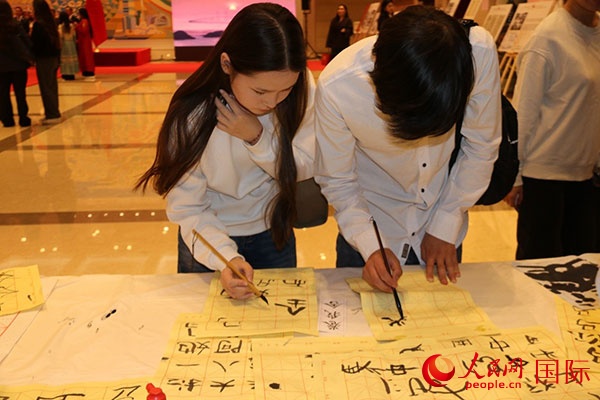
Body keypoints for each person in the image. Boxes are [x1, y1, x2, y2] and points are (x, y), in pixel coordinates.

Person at [135, 3, 316, 300]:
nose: (272, 102)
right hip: (208, 240)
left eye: (284, 90)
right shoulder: (193, 114)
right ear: (227, 64)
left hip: (273, 232)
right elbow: (188, 207)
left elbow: (305, 166)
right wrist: (225, 256)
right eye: (260, 91)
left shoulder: (299, 89)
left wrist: (256, 137)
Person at [314, 6, 502, 292]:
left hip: (443, 227)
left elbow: (481, 145)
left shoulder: (477, 54)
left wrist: (446, 222)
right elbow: (338, 180)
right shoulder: (338, 86)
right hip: (372, 228)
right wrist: (370, 243)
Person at [503, 0, 600, 260]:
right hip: (543, 179)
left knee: (584, 268)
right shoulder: (547, 38)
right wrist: (515, 177)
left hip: (587, 177)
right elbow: (523, 115)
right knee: (540, 269)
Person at [0, 0, 32, 128]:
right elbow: (27, 41)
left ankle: (7, 119)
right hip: (18, 64)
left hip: (1, 67)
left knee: (3, 94)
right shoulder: (15, 25)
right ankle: (23, 118)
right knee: (20, 93)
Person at [31, 0, 61, 125]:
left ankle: (52, 114)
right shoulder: (51, 23)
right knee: (52, 87)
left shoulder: (38, 25)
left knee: (46, 87)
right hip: (53, 58)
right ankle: (53, 112)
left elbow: (36, 44)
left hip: (44, 59)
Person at [57, 11, 78, 81]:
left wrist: (59, 44)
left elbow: (60, 36)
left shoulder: (60, 26)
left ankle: (65, 74)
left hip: (64, 44)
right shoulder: (71, 25)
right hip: (71, 43)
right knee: (71, 60)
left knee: (65, 60)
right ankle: (72, 74)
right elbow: (74, 35)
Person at [75, 7, 95, 80]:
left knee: (86, 56)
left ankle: (88, 70)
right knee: (84, 56)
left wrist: (76, 27)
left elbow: (84, 30)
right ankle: (85, 70)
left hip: (85, 41)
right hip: (83, 41)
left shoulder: (84, 21)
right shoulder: (84, 21)